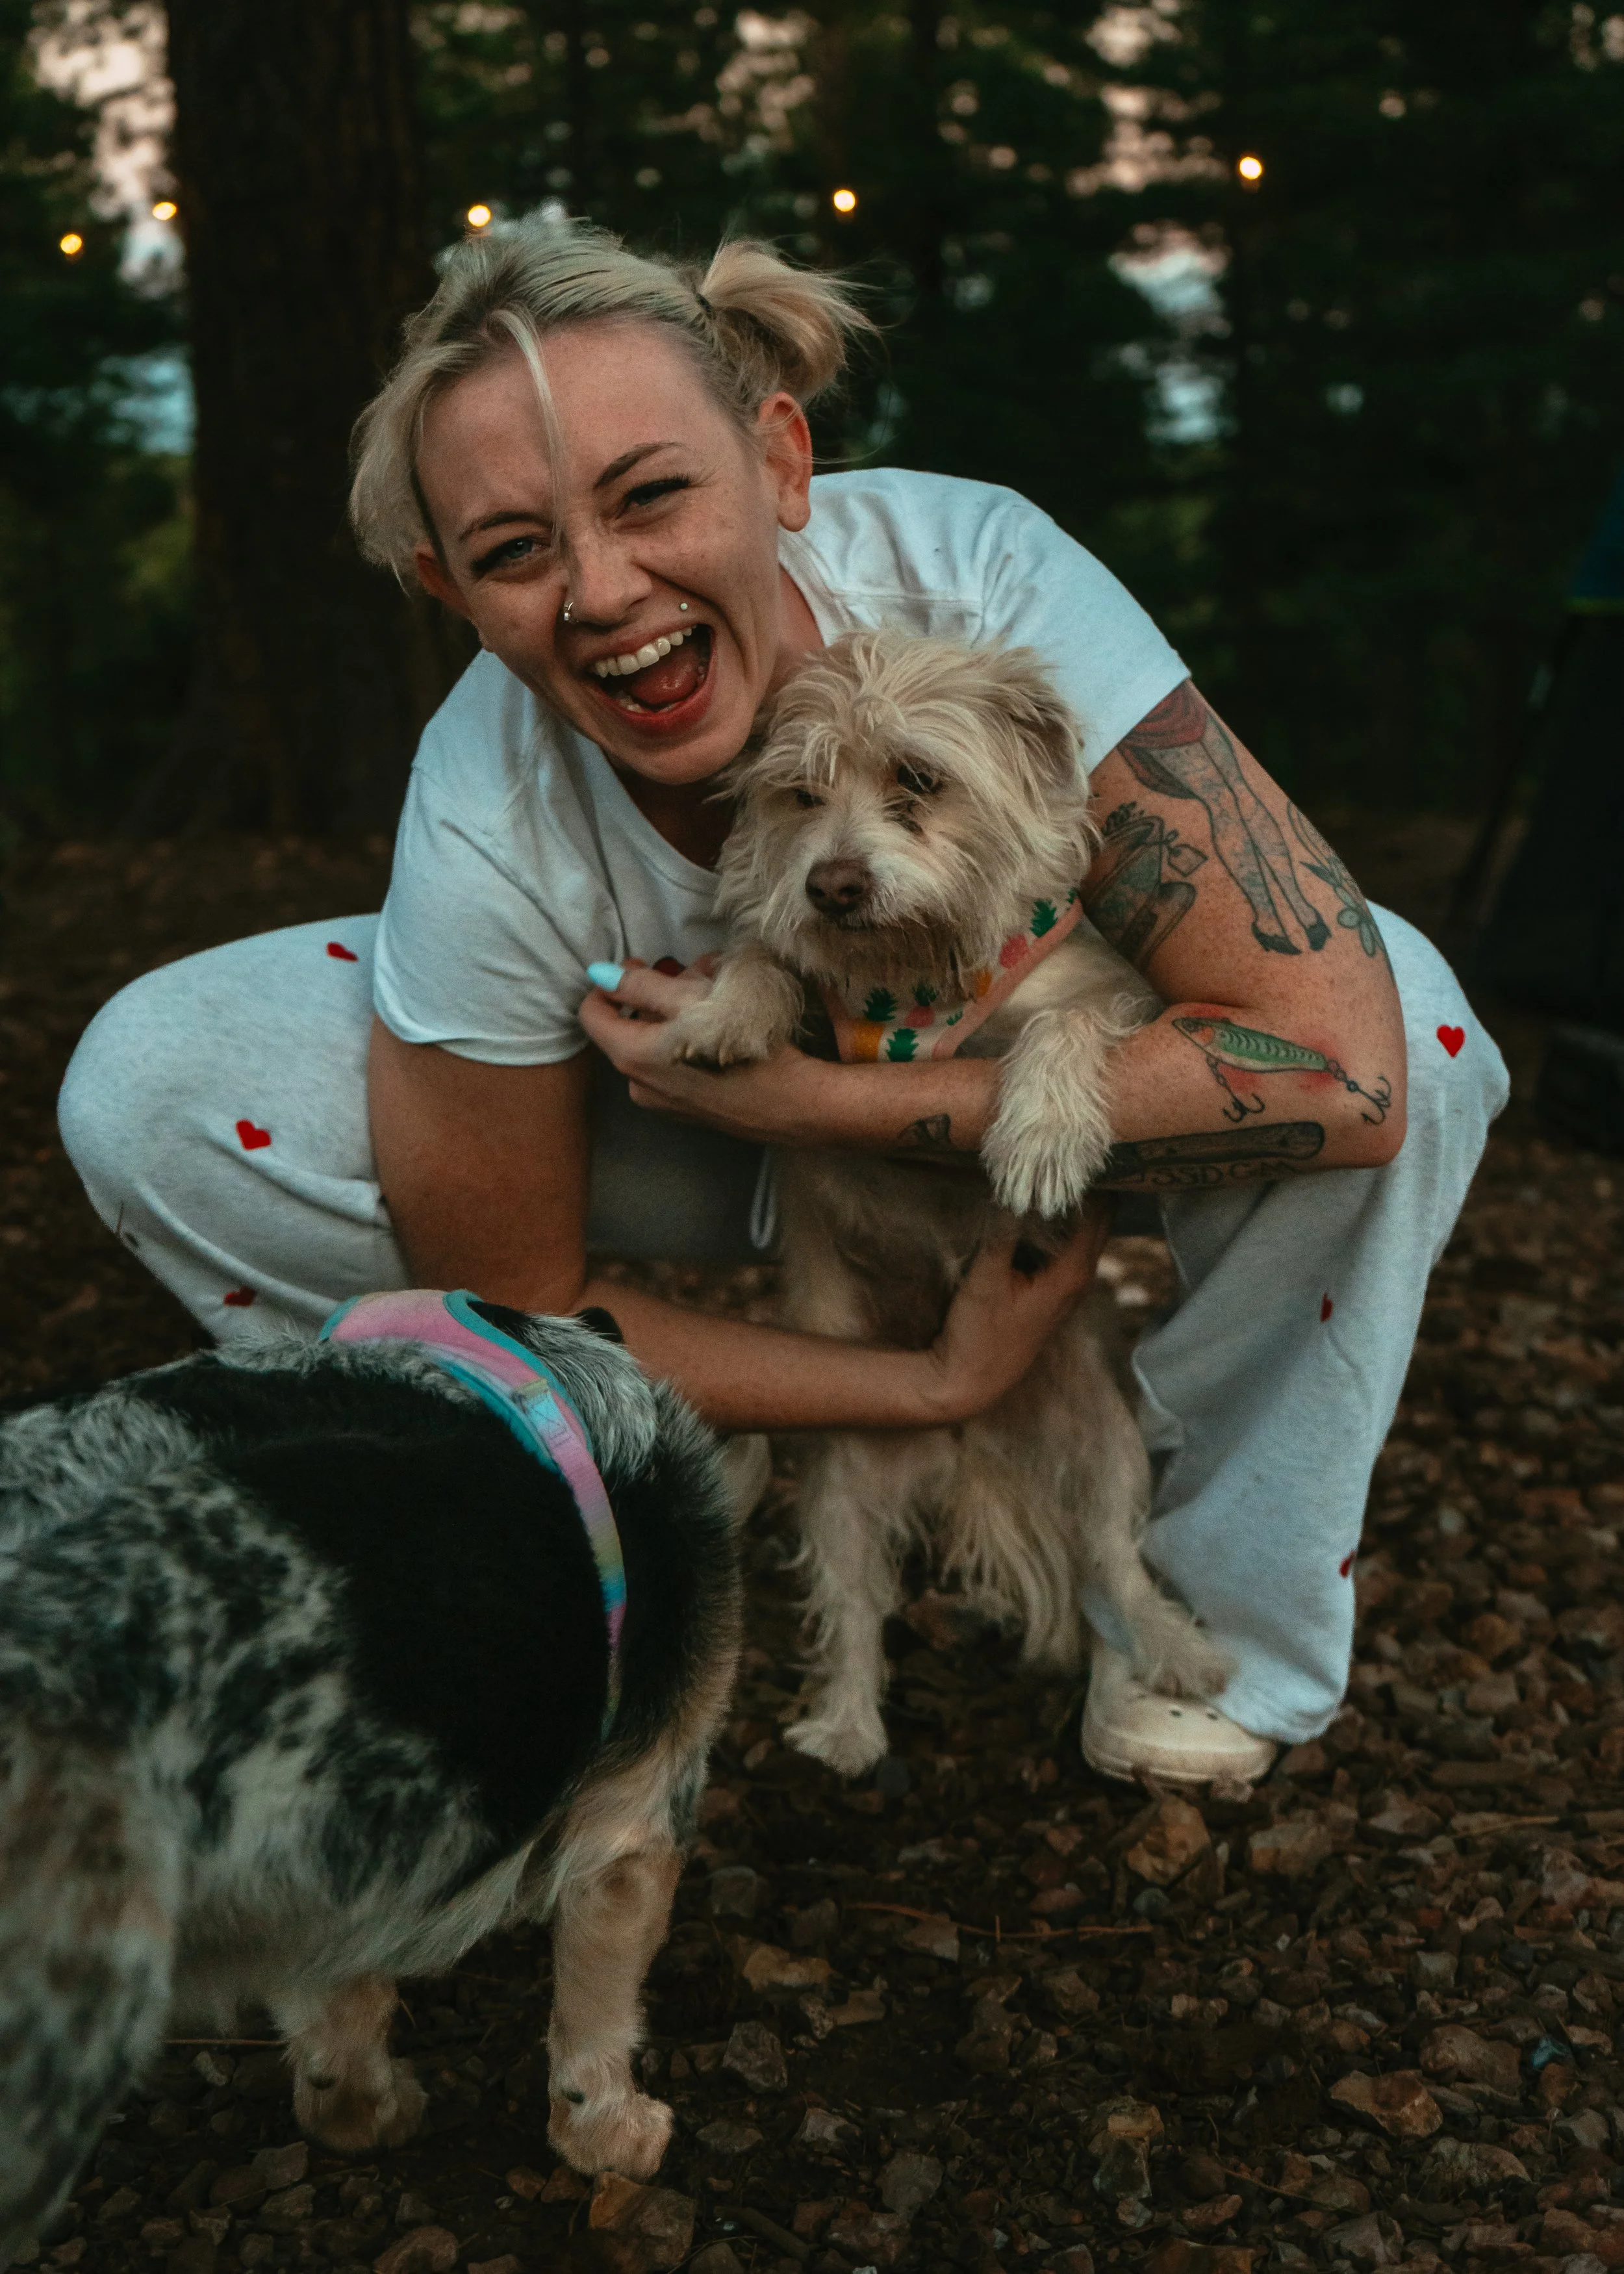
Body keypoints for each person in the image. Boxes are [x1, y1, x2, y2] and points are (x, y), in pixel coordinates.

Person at [58, 216, 1507, 1787]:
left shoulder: (982, 585)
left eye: (651, 495)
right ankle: (577, 1507)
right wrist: (931, 1381)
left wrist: (825, 1105)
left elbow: (1340, 1065)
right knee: (153, 1083)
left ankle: (1215, 1621)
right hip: (664, 1127)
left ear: (779, 462)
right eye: (516, 548)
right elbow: (507, 1296)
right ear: (446, 588)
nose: (603, 592)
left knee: (1411, 1033)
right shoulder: (485, 804)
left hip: (1040, 1100)